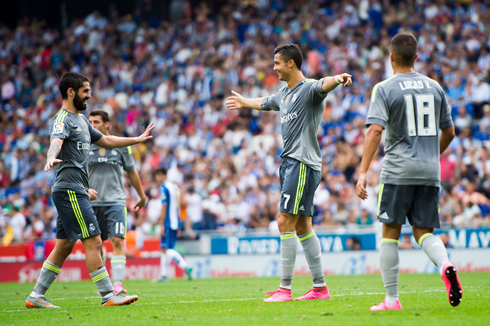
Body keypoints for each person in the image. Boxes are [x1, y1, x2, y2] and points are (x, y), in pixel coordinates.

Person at [226, 43, 352, 302]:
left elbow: (322, 84)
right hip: (291, 164)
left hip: (301, 163)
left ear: (291, 63)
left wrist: (338, 79)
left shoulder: (307, 90)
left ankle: (285, 289)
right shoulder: (284, 94)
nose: (274, 68)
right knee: (303, 226)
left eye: (277, 63)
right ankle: (320, 288)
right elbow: (264, 102)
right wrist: (243, 102)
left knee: (284, 221)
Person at [26, 72, 155, 308]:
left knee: (64, 246)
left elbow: (106, 141)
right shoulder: (62, 119)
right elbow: (55, 141)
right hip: (70, 189)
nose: (90, 95)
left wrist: (136, 139)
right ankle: (108, 295)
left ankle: (36, 296)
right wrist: (51, 157)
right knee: (94, 240)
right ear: (71, 92)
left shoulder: (82, 120)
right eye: (85, 91)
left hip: (74, 189)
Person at [356, 33, 462, 311]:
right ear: (416, 57)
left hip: (398, 170)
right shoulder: (435, 87)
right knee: (423, 231)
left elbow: (375, 130)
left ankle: (391, 300)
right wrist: (429, 155)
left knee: (390, 232)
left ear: (391, 57)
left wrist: (363, 171)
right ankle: (446, 264)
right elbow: (450, 131)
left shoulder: (384, 88)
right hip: (430, 171)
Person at [88, 109, 147, 294]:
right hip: (92, 203)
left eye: (96, 122)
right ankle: (104, 284)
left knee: (117, 240)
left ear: (106, 124)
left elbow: (131, 170)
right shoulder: (83, 146)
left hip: (115, 201)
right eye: (90, 121)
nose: (92, 125)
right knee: (96, 244)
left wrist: (141, 195)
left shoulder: (121, 145)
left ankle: (118, 283)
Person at [154, 168, 192, 282]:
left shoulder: (163, 188)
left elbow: (164, 206)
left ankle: (185, 266)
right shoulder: (175, 187)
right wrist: (179, 223)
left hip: (167, 222)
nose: (157, 178)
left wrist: (161, 224)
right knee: (166, 248)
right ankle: (164, 275)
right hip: (176, 221)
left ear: (163, 175)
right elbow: (182, 204)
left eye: (158, 175)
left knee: (165, 249)